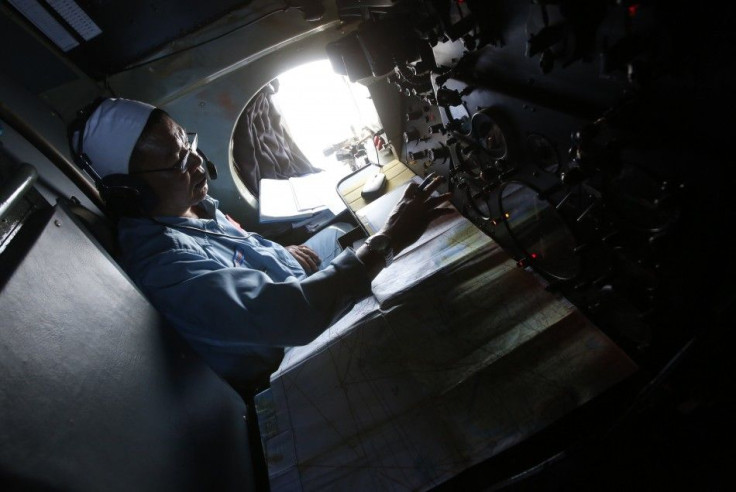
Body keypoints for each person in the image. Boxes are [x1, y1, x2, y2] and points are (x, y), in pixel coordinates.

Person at [70, 97, 453, 388]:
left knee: (339, 235)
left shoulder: (190, 203)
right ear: (132, 191)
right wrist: (388, 241)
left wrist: (276, 252)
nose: (199, 165)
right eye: (179, 163)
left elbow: (236, 247)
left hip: (291, 280)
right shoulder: (165, 267)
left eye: (189, 146)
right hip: (288, 349)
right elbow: (294, 316)